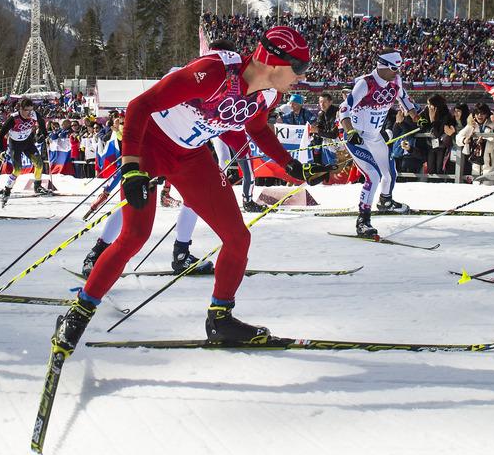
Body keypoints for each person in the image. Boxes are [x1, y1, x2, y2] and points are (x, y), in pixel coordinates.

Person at [54, 26, 331, 354]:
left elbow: (256, 127)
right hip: (150, 145)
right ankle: (80, 311)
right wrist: (130, 168)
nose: (302, 77)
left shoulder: (270, 94)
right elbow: (140, 106)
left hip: (191, 156)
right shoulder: (213, 73)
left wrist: (292, 166)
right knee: (135, 234)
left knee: (238, 237)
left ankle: (220, 319)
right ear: (274, 62)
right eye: (298, 69)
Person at [339, 51, 419, 238]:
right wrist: (350, 131)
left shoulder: (395, 82)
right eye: (393, 68)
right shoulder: (365, 84)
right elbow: (344, 109)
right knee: (373, 176)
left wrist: (416, 116)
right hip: (357, 138)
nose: (397, 72)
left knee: (390, 173)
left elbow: (405, 100)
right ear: (381, 66)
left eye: (399, 68)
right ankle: (363, 221)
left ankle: (386, 201)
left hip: (375, 137)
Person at [0, 97, 50, 205]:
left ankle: (37, 186)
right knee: (18, 170)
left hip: (28, 142)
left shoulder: (34, 114)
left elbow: (42, 123)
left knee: (39, 164)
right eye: (26, 110)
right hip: (15, 145)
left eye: (31, 110)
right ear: (20, 109)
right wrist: (2, 150)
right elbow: (1, 134)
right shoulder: (13, 118)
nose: (29, 113)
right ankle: (7, 190)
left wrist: (45, 135)